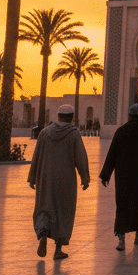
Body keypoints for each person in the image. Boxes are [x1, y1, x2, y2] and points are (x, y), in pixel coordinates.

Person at [28, 103, 90, 260]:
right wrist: (85, 177)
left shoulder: (44, 133)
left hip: (45, 178)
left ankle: (43, 235)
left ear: (57, 116)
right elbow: (80, 158)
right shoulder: (73, 134)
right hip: (66, 179)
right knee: (63, 211)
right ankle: (58, 249)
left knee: (45, 207)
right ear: (71, 117)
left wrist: (32, 176)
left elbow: (36, 155)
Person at [99, 102, 138, 251]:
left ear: (129, 116)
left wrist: (105, 175)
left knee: (122, 206)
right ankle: (137, 236)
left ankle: (121, 241)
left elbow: (112, 155)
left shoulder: (121, 131)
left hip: (123, 176)